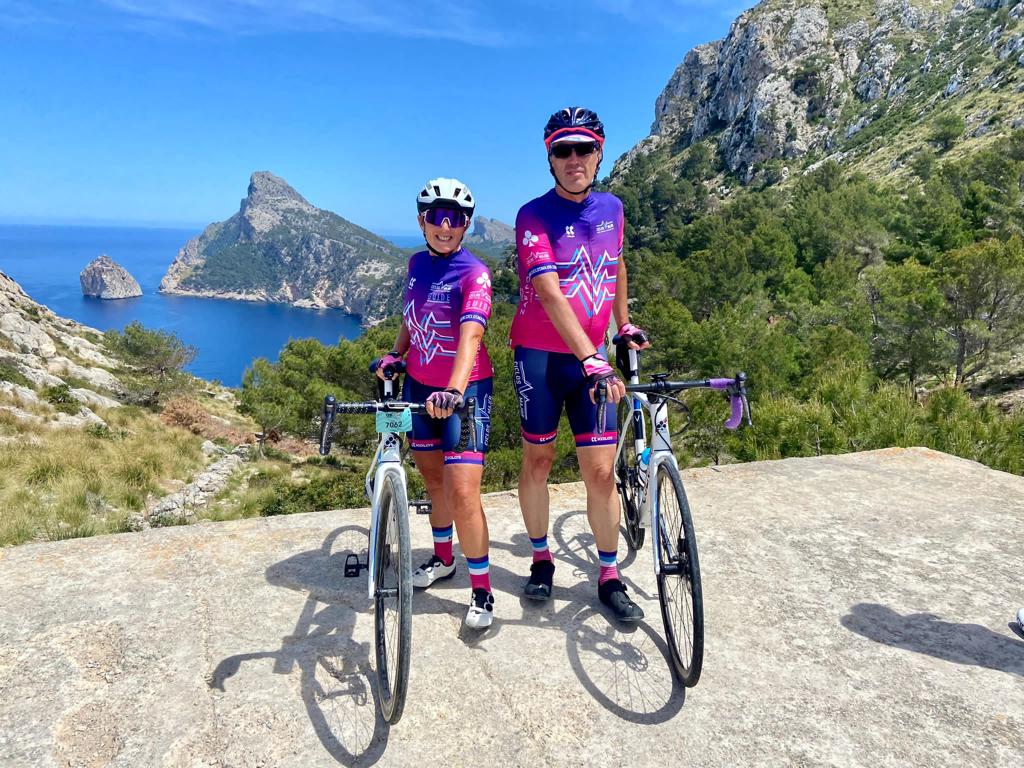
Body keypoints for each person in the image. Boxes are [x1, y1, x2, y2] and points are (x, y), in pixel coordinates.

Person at [511, 107, 651, 622]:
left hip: (592, 362)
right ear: (550, 157)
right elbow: (548, 293)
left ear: (599, 152)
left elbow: (615, 264)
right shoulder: (533, 215)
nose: (574, 159)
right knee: (539, 462)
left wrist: (623, 324)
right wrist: (593, 356)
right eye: (562, 150)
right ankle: (542, 561)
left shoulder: (614, 208)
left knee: (600, 470)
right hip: (542, 359)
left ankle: (609, 575)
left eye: (584, 148)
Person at [374, 177, 495, 629]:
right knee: (434, 482)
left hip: (466, 393)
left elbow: (471, 335)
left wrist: (457, 391)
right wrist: (396, 353)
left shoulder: (474, 273)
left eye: (456, 219)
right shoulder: (414, 264)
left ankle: (481, 591)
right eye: (437, 218)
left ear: (466, 225)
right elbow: (413, 317)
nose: (445, 227)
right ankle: (443, 559)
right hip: (420, 390)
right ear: (422, 221)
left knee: (463, 491)